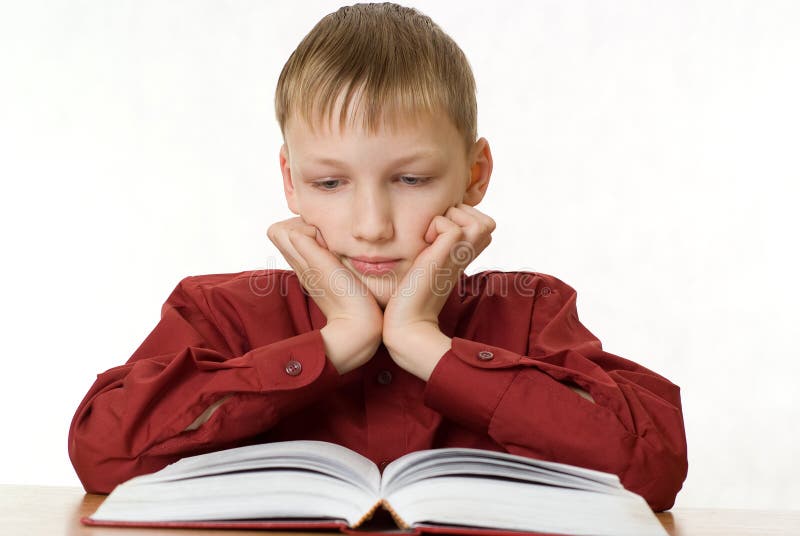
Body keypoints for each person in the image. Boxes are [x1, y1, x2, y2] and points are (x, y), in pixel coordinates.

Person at [68, 2, 688, 512]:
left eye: (411, 180)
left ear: (474, 176)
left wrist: (424, 341)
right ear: (290, 179)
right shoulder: (219, 311)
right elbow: (102, 453)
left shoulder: (528, 309)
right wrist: (337, 341)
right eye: (330, 184)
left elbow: (653, 469)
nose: (370, 226)